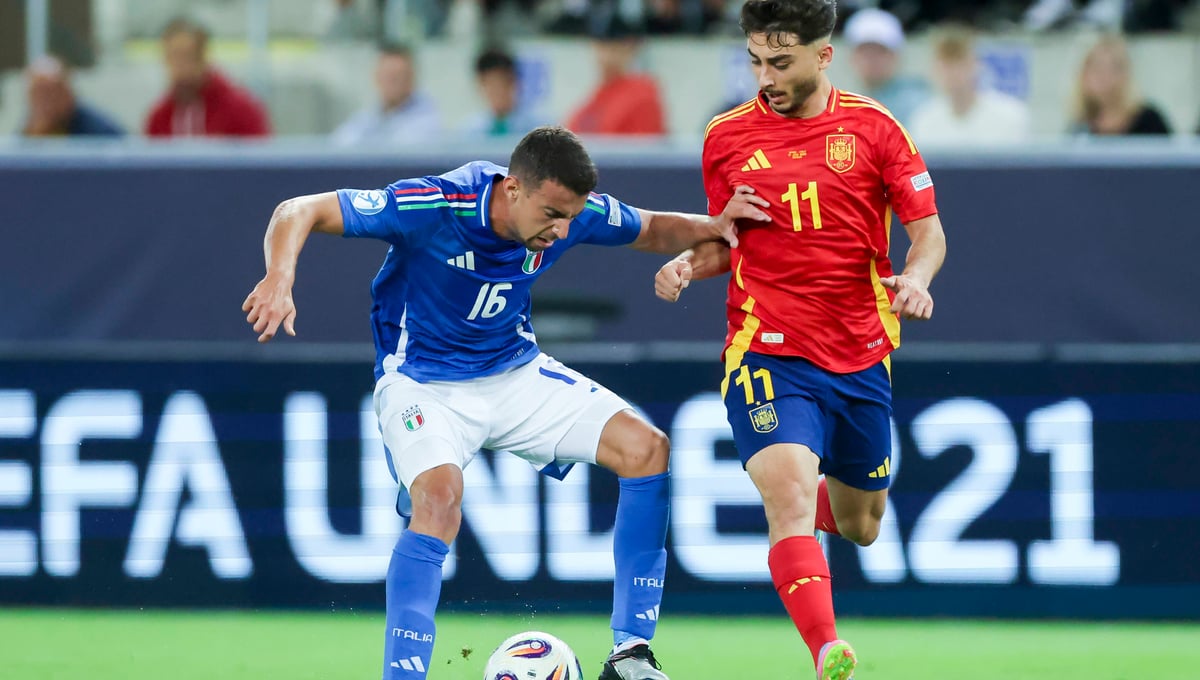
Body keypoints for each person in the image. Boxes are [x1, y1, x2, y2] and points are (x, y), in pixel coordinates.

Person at [241, 126, 763, 680]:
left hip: (514, 372)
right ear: (513, 188)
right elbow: (297, 210)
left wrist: (715, 224)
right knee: (440, 500)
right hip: (422, 383)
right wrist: (279, 276)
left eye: (571, 217)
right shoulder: (432, 205)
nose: (562, 230)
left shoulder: (567, 213)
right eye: (552, 214)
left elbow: (652, 227)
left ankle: (631, 654)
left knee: (646, 448)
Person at [655, 1, 946, 679]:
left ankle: (818, 497)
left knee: (862, 524)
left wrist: (917, 278)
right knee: (788, 502)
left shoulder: (875, 129)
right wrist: (687, 263)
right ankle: (827, 650)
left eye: (780, 62)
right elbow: (728, 240)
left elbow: (928, 232)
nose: (765, 77)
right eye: (755, 60)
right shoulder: (726, 136)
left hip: (860, 353)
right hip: (767, 348)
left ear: (824, 55)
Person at [144, 17, 271, 138]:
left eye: (187, 56)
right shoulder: (159, 118)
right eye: (173, 57)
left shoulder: (241, 110)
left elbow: (262, 151)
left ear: (203, 56)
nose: (180, 67)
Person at [908, 25, 1030, 146]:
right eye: (946, 65)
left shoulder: (1010, 116)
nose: (953, 72)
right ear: (934, 69)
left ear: (976, 65)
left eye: (959, 62)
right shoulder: (923, 120)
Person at [565, 15, 667, 136]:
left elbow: (645, 145)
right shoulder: (596, 98)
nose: (606, 57)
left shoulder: (642, 95)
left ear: (630, 49)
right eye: (601, 47)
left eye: (614, 48)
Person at [332, 42, 442, 145]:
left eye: (397, 77)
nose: (391, 83)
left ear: (411, 79)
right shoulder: (367, 117)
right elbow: (338, 143)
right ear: (376, 77)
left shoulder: (426, 122)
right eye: (387, 76)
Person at [1069, 33, 1171, 137]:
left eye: (1113, 68)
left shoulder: (1150, 121)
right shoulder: (1079, 128)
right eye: (1096, 67)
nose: (1104, 76)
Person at [842, 8, 929, 127]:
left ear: (896, 56)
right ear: (851, 57)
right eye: (864, 51)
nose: (871, 59)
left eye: (880, 51)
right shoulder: (847, 105)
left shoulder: (918, 104)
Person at [21, 55, 124, 137]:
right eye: (37, 93)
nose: (44, 101)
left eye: (50, 92)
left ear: (68, 91)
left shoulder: (99, 131)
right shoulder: (32, 125)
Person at [461, 47, 548, 137]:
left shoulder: (538, 130)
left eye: (501, 83)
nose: (497, 91)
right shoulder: (471, 132)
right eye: (490, 84)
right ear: (480, 85)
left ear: (514, 82)